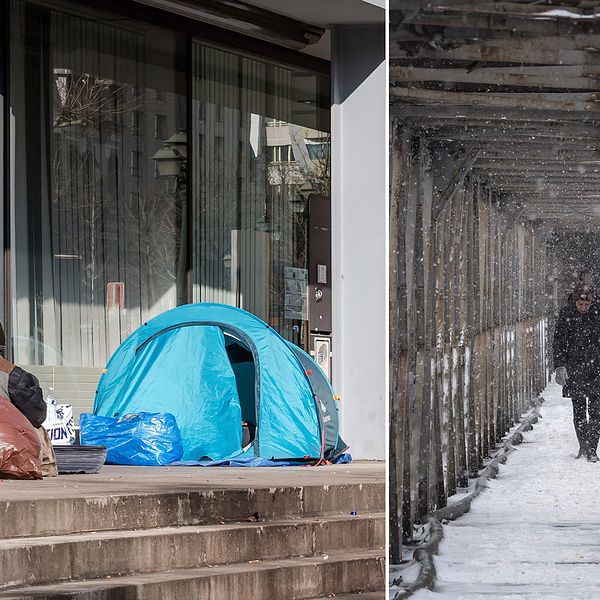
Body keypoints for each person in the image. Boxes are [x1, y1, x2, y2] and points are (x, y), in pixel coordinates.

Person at [553, 281, 600, 462]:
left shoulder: (597, 314)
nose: (583, 308)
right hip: (575, 368)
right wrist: (560, 366)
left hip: (596, 368)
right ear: (574, 302)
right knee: (579, 410)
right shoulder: (566, 314)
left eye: (587, 305)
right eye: (580, 304)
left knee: (596, 412)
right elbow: (559, 341)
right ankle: (583, 446)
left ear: (592, 302)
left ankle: (592, 449)